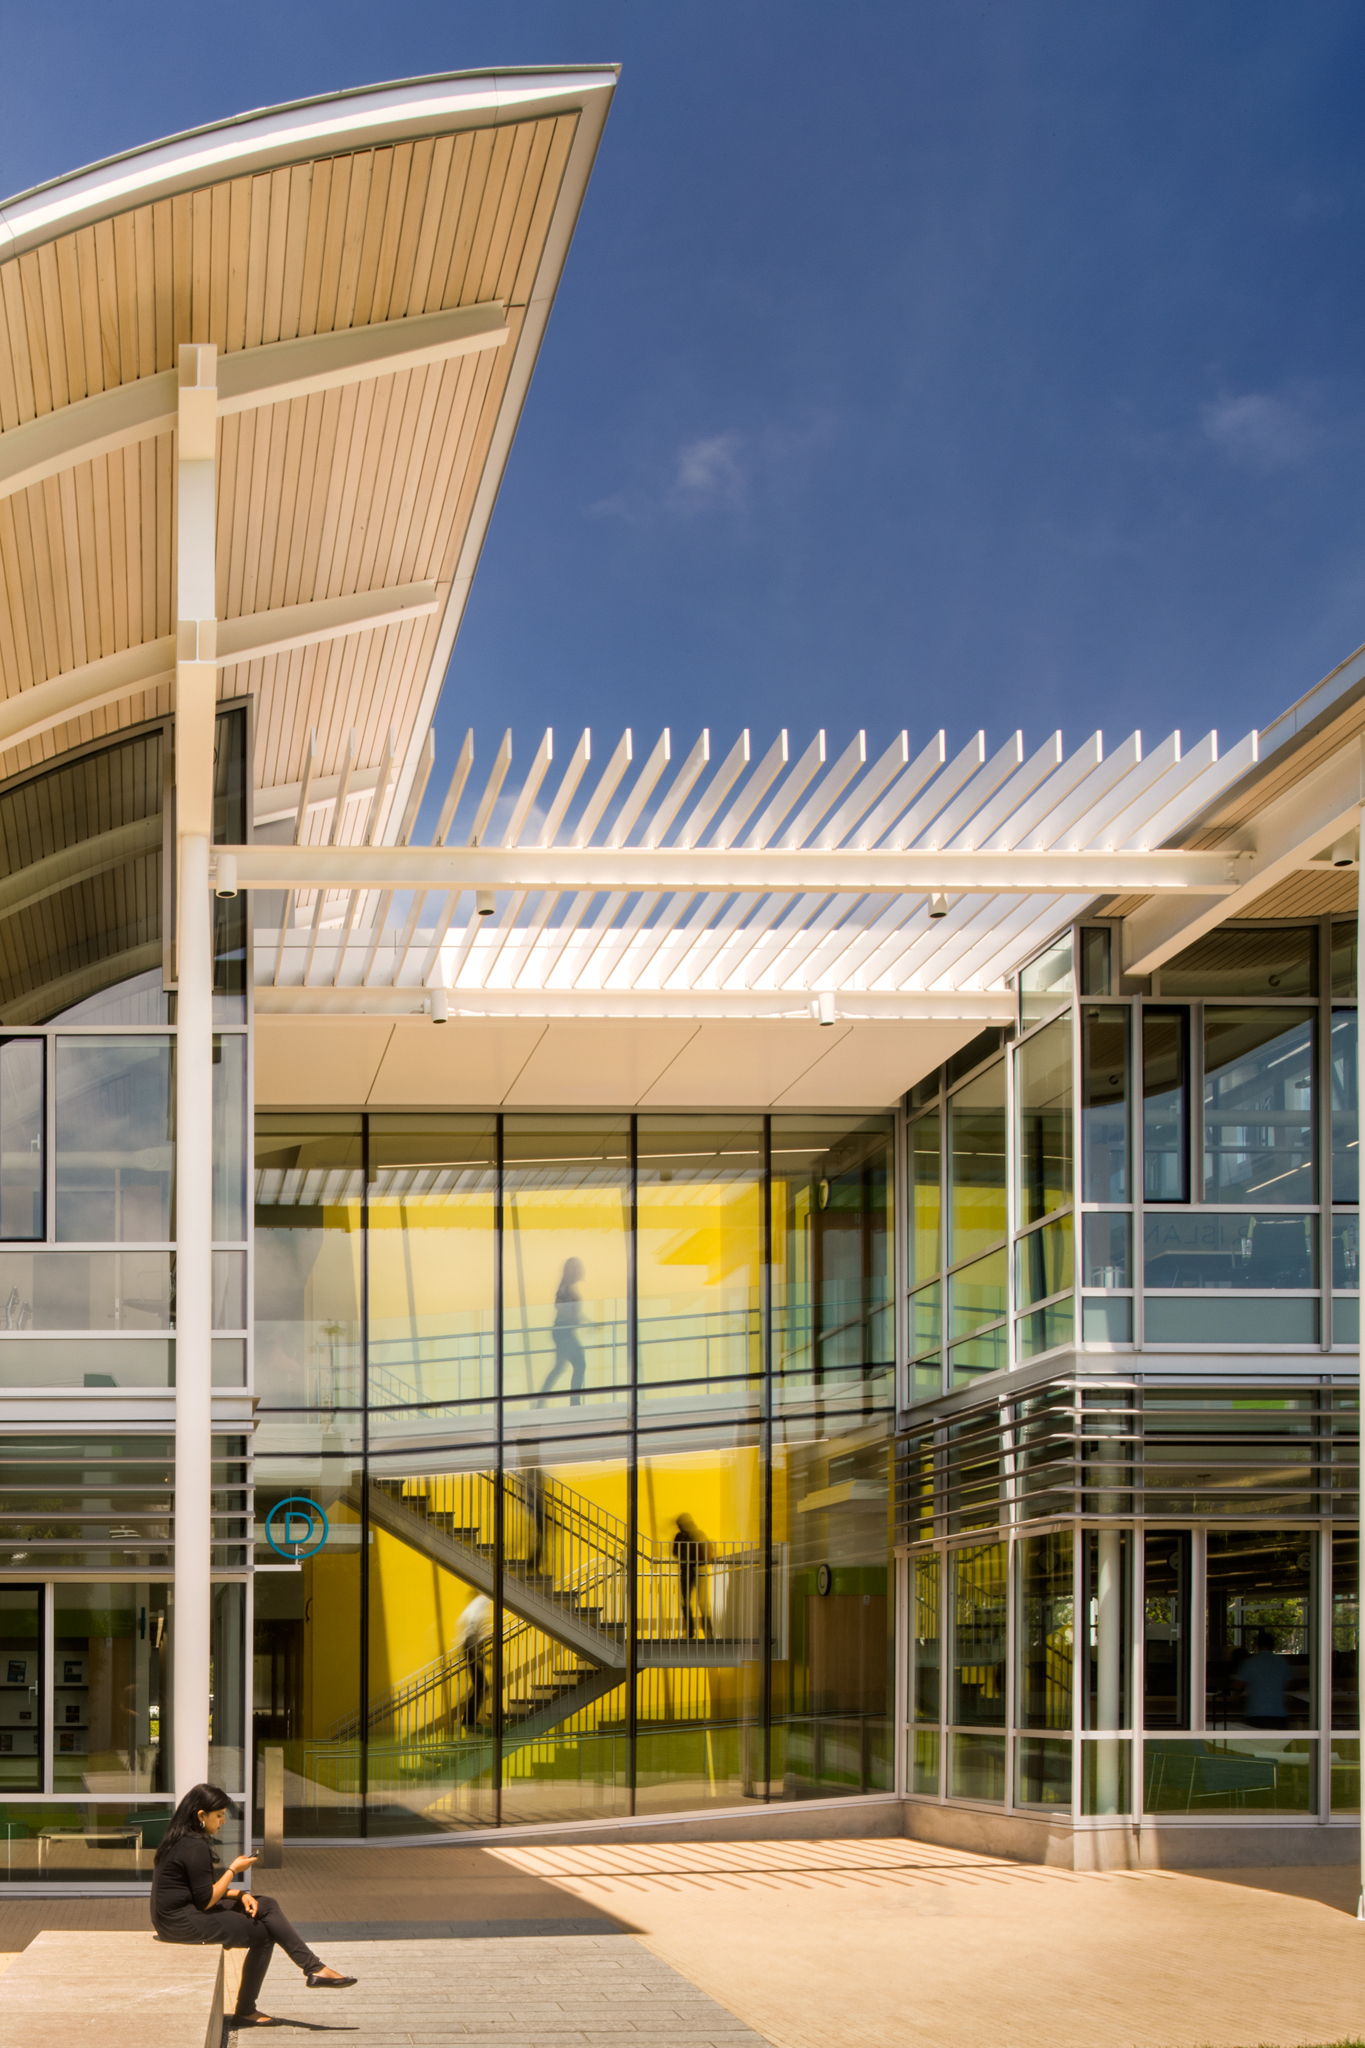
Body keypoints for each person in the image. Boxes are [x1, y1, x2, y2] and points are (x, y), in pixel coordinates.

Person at [150, 1783, 355, 2026]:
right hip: (181, 1921)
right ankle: (247, 2009)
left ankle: (314, 1968)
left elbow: (200, 1891)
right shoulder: (194, 1846)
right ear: (201, 1816)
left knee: (265, 1904)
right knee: (264, 1934)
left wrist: (239, 1895)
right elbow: (205, 1900)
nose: (223, 1821)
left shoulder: (183, 1838)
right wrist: (233, 1870)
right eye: (219, 1815)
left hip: (179, 1914)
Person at [542, 1258, 588, 1405]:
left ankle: (540, 1400)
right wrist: (573, 1319)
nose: (575, 1271)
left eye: (576, 1267)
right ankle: (574, 1403)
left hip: (565, 1331)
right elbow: (559, 1307)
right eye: (572, 1268)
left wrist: (587, 1321)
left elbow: (570, 1311)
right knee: (580, 1364)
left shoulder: (568, 1287)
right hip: (563, 1332)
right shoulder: (564, 1287)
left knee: (559, 1367)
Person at [1235, 1628, 1294, 1729]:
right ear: (1273, 1646)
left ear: (1257, 1646)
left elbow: (1238, 1685)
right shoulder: (1281, 1662)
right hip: (1278, 1713)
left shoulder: (1250, 1663)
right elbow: (1288, 1684)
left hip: (1255, 1712)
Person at [455, 1593, 494, 1730]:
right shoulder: (482, 1600)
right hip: (471, 1643)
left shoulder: (476, 1603)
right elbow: (480, 1620)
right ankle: (469, 1721)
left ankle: (468, 1720)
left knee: (480, 1685)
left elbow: (465, 1621)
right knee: (482, 1685)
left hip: (469, 1643)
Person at [672, 1513, 713, 1641]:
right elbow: (708, 1550)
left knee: (695, 1602)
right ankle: (702, 1633)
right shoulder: (694, 1534)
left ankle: (698, 1633)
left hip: (693, 1568)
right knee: (693, 1602)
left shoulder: (690, 1535)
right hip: (695, 1568)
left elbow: (676, 1552)